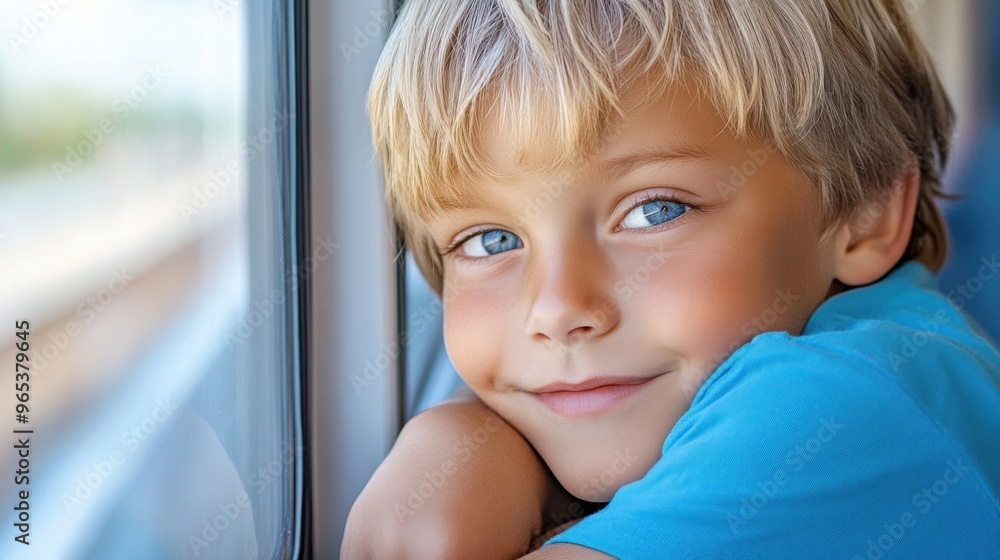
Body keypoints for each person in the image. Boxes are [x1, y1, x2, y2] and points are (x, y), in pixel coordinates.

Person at [343, 0, 1000, 558]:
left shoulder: (841, 405)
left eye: (655, 211)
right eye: (492, 240)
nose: (557, 308)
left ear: (865, 211)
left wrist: (452, 449)